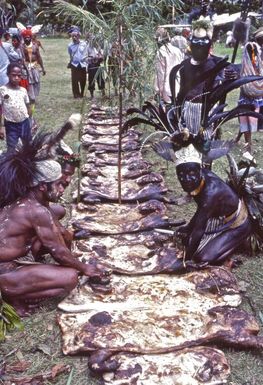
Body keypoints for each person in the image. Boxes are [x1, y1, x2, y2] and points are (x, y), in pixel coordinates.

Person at [0, 149, 109, 316]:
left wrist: (65, 235)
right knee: (70, 277)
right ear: (43, 186)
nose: (62, 189)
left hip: (12, 259)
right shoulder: (35, 210)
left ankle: (18, 286)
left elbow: (57, 230)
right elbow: (58, 252)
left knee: (57, 211)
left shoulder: (30, 200)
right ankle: (13, 298)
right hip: (5, 271)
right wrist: (85, 268)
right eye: (58, 184)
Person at [175, 144, 252, 265]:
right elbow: (201, 210)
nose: (186, 179)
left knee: (202, 257)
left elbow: (199, 230)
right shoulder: (200, 179)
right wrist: (189, 227)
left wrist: (186, 258)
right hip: (219, 215)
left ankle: (234, 245)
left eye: (191, 173)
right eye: (180, 174)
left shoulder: (211, 193)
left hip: (237, 224)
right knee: (187, 239)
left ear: (199, 171)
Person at [169, 20, 237, 137]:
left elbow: (226, 81)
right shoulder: (184, 64)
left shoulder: (217, 64)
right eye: (196, 45)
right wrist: (178, 111)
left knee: (205, 144)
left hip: (208, 112)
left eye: (202, 45)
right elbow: (182, 92)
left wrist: (231, 78)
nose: (199, 49)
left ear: (209, 45)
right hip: (188, 108)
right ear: (191, 46)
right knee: (188, 145)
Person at [237, 28, 263, 155]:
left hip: (255, 90)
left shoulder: (257, 50)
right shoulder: (253, 48)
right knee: (246, 117)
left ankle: (247, 143)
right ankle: (248, 144)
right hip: (251, 90)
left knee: (249, 117)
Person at [0, 63, 32, 150]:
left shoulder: (23, 90)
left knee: (28, 147)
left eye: (19, 75)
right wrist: (1, 127)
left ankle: (27, 163)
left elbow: (28, 106)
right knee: (12, 149)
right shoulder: (3, 90)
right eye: (13, 75)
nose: (16, 78)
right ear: (8, 74)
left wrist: (32, 121)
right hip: (11, 125)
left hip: (24, 123)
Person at [154, 27, 183, 104]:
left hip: (166, 88)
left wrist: (158, 90)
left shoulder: (160, 52)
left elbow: (160, 73)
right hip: (178, 86)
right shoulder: (177, 51)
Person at [21, 28, 46, 107]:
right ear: (23, 38)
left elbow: (39, 57)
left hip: (35, 66)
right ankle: (31, 97)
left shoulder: (35, 46)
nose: (27, 39)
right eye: (25, 37)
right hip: (26, 66)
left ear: (31, 37)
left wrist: (43, 68)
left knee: (36, 81)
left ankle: (34, 95)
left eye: (28, 37)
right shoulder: (21, 47)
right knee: (29, 82)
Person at [68, 29, 88, 99]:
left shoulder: (84, 44)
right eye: (72, 36)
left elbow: (86, 53)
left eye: (75, 36)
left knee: (83, 80)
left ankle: (82, 93)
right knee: (75, 80)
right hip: (74, 64)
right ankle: (76, 94)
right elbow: (70, 55)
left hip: (83, 64)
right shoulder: (70, 45)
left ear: (79, 36)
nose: (74, 38)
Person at [86, 33, 105, 99]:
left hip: (98, 64)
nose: (93, 41)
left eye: (94, 39)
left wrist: (100, 56)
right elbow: (85, 57)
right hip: (91, 65)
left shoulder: (98, 46)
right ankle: (92, 95)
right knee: (91, 80)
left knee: (100, 79)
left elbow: (102, 55)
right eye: (91, 39)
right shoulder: (87, 47)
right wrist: (92, 58)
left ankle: (103, 94)